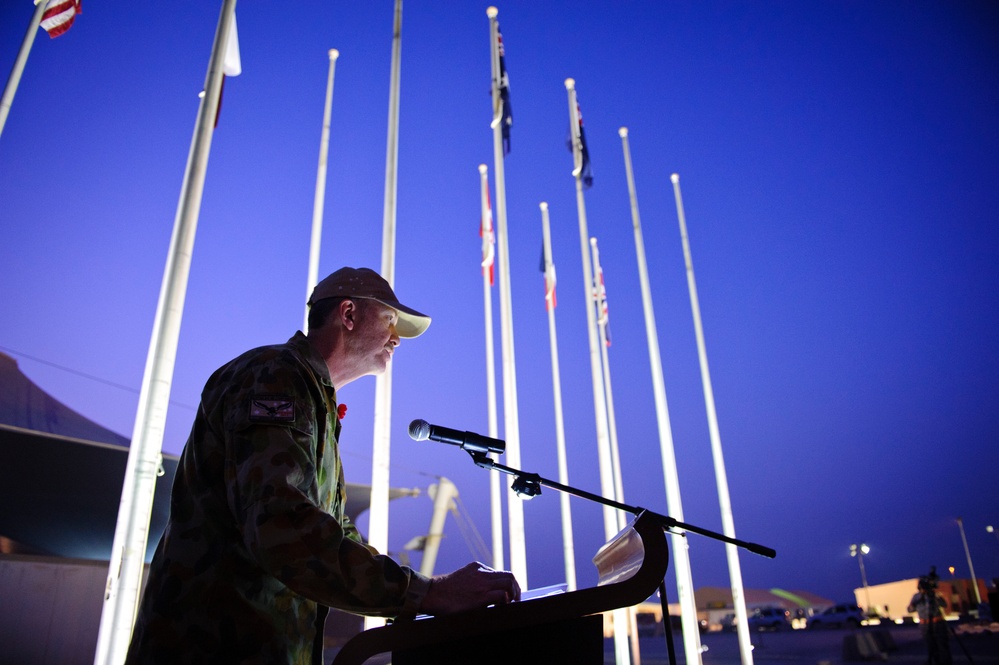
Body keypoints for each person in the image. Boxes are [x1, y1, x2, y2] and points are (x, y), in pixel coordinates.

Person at [125, 267, 520, 665]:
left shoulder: (313, 400)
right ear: (347, 315)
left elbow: (333, 532)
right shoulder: (275, 377)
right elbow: (284, 526)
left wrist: (424, 594)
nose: (397, 339)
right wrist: (428, 592)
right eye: (389, 321)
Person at [907, 572, 952, 665]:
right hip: (925, 625)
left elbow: (944, 604)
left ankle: (946, 662)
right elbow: (910, 609)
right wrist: (921, 597)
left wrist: (935, 596)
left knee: (942, 646)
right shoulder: (917, 597)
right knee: (931, 646)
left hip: (938, 624)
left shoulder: (935, 594)